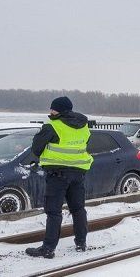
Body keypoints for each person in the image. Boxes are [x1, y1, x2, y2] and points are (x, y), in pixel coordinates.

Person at [25, 96, 93, 259]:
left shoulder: (52, 126)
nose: (50, 111)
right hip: (78, 174)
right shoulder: (84, 126)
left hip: (58, 175)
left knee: (53, 212)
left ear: (59, 110)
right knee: (78, 209)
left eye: (53, 108)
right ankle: (81, 243)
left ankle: (48, 249)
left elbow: (36, 149)